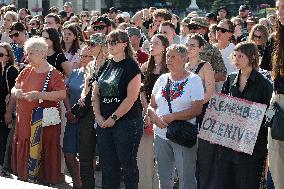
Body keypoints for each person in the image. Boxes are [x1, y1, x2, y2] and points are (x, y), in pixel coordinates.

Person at [212, 42, 272, 189]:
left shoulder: (264, 84)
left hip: (252, 148)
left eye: (241, 56)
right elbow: (222, 108)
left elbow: (270, 114)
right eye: (235, 55)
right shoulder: (231, 78)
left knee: (246, 184)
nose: (236, 59)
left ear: (252, 57)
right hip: (228, 146)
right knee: (225, 183)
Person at [11, 37, 66, 185]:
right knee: (26, 144)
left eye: (31, 53)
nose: (27, 57)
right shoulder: (26, 70)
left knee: (42, 146)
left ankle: (43, 179)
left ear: (43, 53)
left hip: (43, 122)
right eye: (27, 53)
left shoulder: (54, 73)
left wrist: (38, 95)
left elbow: (61, 94)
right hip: (24, 119)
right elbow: (15, 87)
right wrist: (17, 93)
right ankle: (26, 177)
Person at [147, 44, 204, 189]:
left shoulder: (194, 80)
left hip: (182, 134)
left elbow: (197, 109)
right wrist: (153, 115)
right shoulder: (161, 79)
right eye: (168, 56)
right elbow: (151, 104)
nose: (169, 59)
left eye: (173, 56)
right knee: (164, 177)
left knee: (186, 178)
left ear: (184, 59)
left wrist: (172, 117)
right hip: (160, 134)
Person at [92, 29, 143, 189]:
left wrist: (113, 118)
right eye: (108, 42)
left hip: (126, 123)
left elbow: (131, 97)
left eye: (114, 42)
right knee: (108, 166)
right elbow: (95, 93)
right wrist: (98, 117)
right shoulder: (106, 64)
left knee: (127, 166)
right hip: (103, 123)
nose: (110, 45)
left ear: (124, 44)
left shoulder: (131, 66)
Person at [184, 34, 215, 189]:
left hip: (201, 114)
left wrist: (192, 106)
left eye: (193, 46)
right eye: (188, 45)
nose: (189, 48)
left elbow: (209, 92)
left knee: (202, 155)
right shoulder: (182, 66)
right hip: (184, 116)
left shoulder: (205, 66)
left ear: (201, 49)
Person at [139, 34, 169, 189]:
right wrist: (148, 112)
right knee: (144, 157)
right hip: (147, 116)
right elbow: (141, 91)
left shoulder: (171, 68)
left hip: (165, 117)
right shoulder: (145, 67)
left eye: (156, 43)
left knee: (163, 159)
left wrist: (156, 113)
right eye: (151, 43)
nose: (152, 46)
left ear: (164, 47)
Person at [79, 33, 108, 189]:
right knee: (85, 153)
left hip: (105, 111)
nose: (89, 47)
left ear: (102, 46)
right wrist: (83, 97)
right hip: (89, 112)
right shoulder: (90, 65)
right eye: (88, 44)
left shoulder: (111, 63)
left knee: (106, 155)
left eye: (93, 44)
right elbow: (85, 88)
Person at [63, 46, 95, 189]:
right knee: (68, 152)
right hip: (73, 118)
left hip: (89, 120)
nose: (85, 59)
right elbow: (66, 93)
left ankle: (86, 181)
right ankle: (77, 182)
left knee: (87, 155)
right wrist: (69, 111)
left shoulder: (97, 75)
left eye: (89, 57)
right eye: (82, 56)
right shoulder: (75, 73)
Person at [267, 0, 284, 188]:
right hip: (276, 100)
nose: (280, 12)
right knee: (275, 155)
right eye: (278, 8)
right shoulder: (274, 38)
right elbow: (265, 72)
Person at [0, 43, 18, 171]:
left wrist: (8, 112)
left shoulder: (11, 70)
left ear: (8, 56)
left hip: (4, 111)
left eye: (1, 55)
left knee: (3, 140)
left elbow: (13, 93)